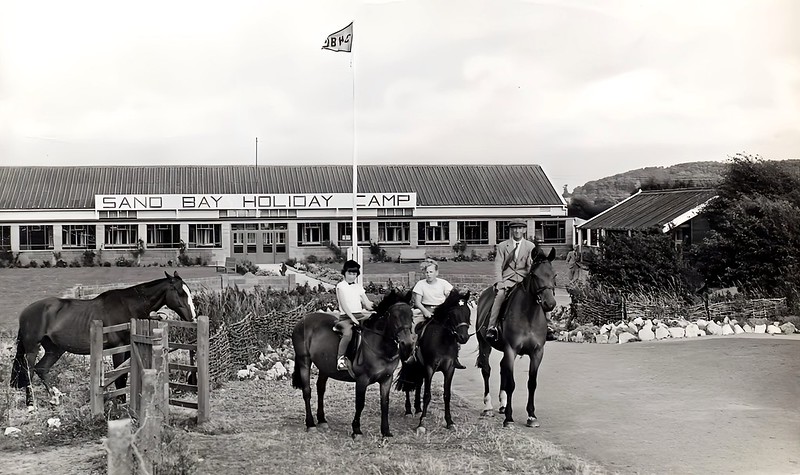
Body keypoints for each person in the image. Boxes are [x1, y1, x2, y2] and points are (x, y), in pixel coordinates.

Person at [486, 219, 537, 343]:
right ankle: (492, 327)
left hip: (524, 280)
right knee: (500, 296)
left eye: (520, 228)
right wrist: (500, 282)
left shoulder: (530, 246)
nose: (517, 231)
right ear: (511, 230)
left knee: (540, 296)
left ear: (524, 230)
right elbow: (498, 265)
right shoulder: (503, 246)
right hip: (508, 279)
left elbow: (531, 267)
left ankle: (548, 325)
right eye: (514, 228)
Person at [412, 259, 466, 369]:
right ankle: (412, 354)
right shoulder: (420, 284)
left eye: (431, 272)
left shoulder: (443, 284)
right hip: (426, 311)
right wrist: (425, 311)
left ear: (436, 272)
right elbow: (417, 302)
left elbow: (452, 296)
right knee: (414, 329)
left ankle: (454, 357)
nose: (428, 274)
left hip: (441, 313)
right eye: (426, 272)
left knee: (454, 330)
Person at [335, 259, 374, 371]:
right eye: (350, 273)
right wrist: (352, 318)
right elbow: (344, 305)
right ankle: (340, 359)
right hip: (346, 317)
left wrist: (376, 308)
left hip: (359, 315)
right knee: (348, 333)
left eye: (354, 274)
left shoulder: (358, 286)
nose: (352, 276)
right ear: (344, 273)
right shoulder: (341, 286)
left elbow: (367, 303)